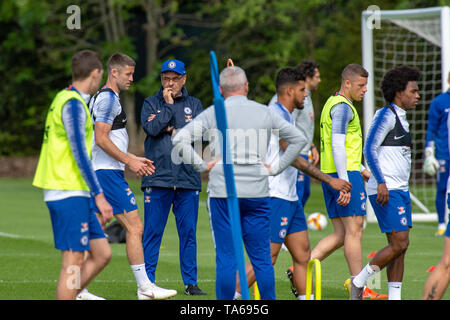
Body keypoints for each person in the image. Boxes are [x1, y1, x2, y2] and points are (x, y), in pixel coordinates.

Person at [172, 65, 305, 300]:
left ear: (221, 90)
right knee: (262, 258)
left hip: (223, 193)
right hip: (257, 192)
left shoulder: (215, 112)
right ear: (246, 87)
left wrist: (202, 165)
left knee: (227, 257)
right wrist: (275, 168)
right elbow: (298, 139)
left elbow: (179, 139)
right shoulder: (263, 112)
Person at [234, 67, 351, 300]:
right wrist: (330, 180)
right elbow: (293, 157)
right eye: (301, 90)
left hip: (290, 196)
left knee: (302, 253)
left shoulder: (286, 115)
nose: (305, 94)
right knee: (267, 257)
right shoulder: (276, 115)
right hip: (274, 195)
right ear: (289, 91)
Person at [89, 53, 177, 300]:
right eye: (128, 74)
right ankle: (145, 288)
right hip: (107, 174)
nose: (132, 78)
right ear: (114, 72)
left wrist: (130, 159)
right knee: (135, 227)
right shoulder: (108, 100)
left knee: (96, 228)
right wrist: (130, 160)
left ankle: (78, 288)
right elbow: (101, 138)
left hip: (102, 172)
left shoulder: (103, 97)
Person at [32, 50, 113, 300]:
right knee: (73, 262)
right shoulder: (73, 104)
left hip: (75, 190)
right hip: (66, 189)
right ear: (96, 73)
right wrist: (99, 195)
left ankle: (70, 294)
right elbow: (79, 152)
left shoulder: (67, 99)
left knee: (101, 254)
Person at [350, 65, 421, 300]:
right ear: (399, 92)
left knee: (401, 248)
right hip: (386, 189)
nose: (417, 95)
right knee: (399, 243)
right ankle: (359, 281)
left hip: (399, 189)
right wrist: (380, 181)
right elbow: (368, 149)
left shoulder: (402, 117)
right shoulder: (386, 115)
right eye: (413, 91)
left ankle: (394, 297)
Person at [141, 59, 206, 296]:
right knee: (152, 233)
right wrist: (168, 108)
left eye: (174, 79)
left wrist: (173, 129)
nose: (170, 83)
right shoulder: (150, 103)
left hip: (188, 180)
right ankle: (147, 283)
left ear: (184, 79)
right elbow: (152, 129)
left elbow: (200, 135)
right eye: (166, 79)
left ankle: (191, 283)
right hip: (157, 179)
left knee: (188, 233)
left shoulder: (195, 104)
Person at [316, 64, 372, 294]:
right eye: (361, 85)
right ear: (347, 83)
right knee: (355, 230)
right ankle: (358, 287)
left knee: (341, 233)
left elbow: (338, 145)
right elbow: (338, 144)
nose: (365, 90)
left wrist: (360, 168)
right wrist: (344, 183)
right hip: (342, 176)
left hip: (333, 172)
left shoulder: (332, 102)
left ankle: (300, 268)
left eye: (366, 85)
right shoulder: (343, 108)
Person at [270, 60, 321, 207]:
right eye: (317, 77)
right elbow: (286, 129)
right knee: (297, 197)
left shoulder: (305, 98)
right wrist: (329, 180)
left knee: (303, 194)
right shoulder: (284, 105)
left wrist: (311, 146)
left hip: (303, 151)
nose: (319, 80)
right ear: (308, 77)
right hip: (295, 155)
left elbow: (300, 127)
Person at [423, 72, 450, 236]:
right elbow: (431, 128)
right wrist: (429, 152)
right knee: (442, 188)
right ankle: (441, 222)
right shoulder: (439, 102)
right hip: (443, 154)